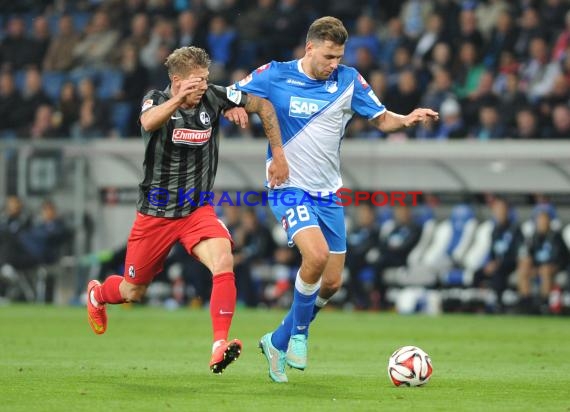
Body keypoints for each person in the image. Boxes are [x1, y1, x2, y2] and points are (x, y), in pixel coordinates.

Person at [227, 16, 438, 383]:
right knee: (317, 256)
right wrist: (231, 105)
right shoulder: (275, 74)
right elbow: (230, 92)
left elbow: (380, 117)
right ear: (310, 48)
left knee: (333, 282)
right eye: (328, 56)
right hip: (289, 187)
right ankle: (298, 335)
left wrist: (406, 119)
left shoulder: (348, 80)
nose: (333, 64)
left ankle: (275, 341)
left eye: (338, 56)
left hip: (329, 195)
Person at [86, 46, 288, 375]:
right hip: (156, 214)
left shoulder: (214, 96)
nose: (203, 87)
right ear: (177, 81)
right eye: (196, 82)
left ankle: (218, 344)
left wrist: (277, 152)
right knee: (132, 290)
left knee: (224, 260)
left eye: (206, 80)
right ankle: (97, 293)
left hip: (197, 211)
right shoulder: (156, 98)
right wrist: (178, 100)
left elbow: (262, 104)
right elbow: (148, 122)